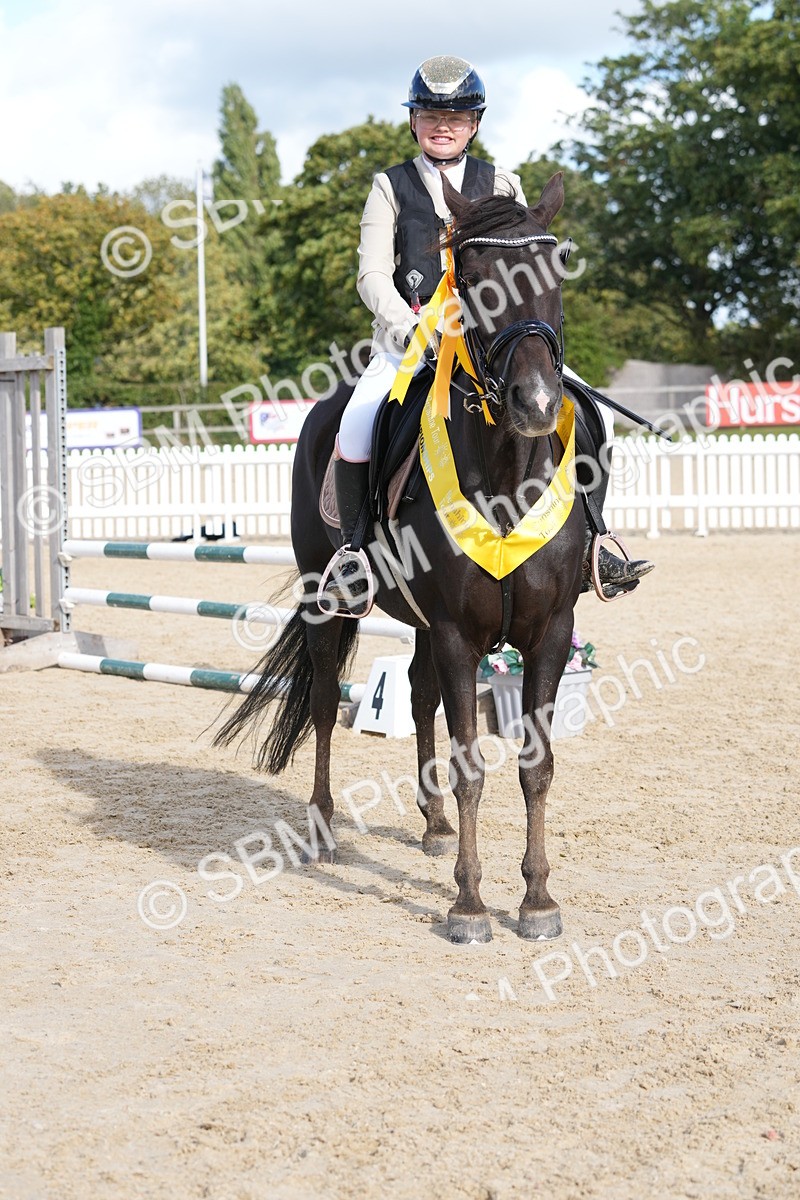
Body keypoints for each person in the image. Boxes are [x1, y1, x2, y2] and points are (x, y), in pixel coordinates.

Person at [320, 55, 653, 614]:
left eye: (455, 115)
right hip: (414, 341)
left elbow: (522, 259)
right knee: (356, 426)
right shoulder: (390, 186)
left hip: (491, 340)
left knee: (593, 412)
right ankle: (355, 555)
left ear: (475, 123)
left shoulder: (500, 182)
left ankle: (596, 539)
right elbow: (372, 273)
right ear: (413, 121)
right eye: (429, 114)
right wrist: (409, 328)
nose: (442, 124)